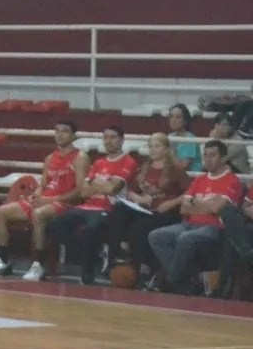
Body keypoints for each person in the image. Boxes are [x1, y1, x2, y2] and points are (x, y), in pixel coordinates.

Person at [0, 120, 87, 281]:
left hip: (66, 203)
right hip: (46, 199)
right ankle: (2, 262)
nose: (59, 134)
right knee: (0, 212)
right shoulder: (50, 158)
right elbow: (43, 184)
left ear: (73, 136)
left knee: (39, 214)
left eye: (64, 131)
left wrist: (50, 199)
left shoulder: (80, 157)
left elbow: (80, 191)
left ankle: (38, 264)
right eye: (57, 130)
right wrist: (36, 194)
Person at [147, 139, 244, 294]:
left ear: (224, 158)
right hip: (189, 224)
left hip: (214, 228)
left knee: (185, 238)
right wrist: (206, 206)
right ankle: (185, 281)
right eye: (205, 155)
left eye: (213, 155)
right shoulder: (200, 179)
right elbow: (184, 209)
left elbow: (217, 208)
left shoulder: (232, 181)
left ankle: (174, 281)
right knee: (156, 236)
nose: (208, 159)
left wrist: (195, 203)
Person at [46, 125, 136, 284]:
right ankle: (88, 254)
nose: (108, 141)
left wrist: (95, 184)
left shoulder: (128, 161)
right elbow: (83, 192)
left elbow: (113, 189)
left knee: (90, 230)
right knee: (55, 225)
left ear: (121, 140)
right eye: (105, 137)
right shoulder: (99, 162)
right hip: (87, 206)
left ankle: (87, 272)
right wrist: (103, 185)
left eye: (113, 137)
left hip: (109, 208)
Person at [107, 133, 189, 275]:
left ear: (166, 149)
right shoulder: (145, 168)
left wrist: (171, 203)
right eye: (150, 146)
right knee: (119, 208)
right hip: (145, 208)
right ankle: (117, 252)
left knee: (139, 226)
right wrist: (139, 198)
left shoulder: (176, 170)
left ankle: (143, 265)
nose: (153, 150)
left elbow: (189, 192)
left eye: (157, 146)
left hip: (166, 211)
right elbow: (130, 191)